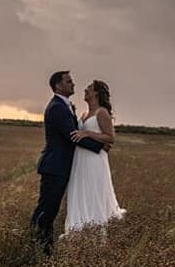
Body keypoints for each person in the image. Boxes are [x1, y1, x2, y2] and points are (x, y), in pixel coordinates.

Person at [30, 70, 104, 254]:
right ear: (58, 85)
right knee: (47, 209)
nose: (73, 84)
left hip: (59, 166)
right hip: (55, 166)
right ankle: (39, 248)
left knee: (50, 209)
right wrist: (99, 147)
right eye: (69, 81)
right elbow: (72, 136)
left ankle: (43, 248)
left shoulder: (64, 105)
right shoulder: (57, 107)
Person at [63, 79, 126, 235]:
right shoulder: (84, 114)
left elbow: (110, 137)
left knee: (93, 190)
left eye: (89, 88)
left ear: (96, 93)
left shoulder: (101, 112)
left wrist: (88, 133)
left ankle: (96, 227)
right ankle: (79, 227)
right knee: (80, 190)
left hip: (94, 160)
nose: (85, 90)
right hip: (80, 158)